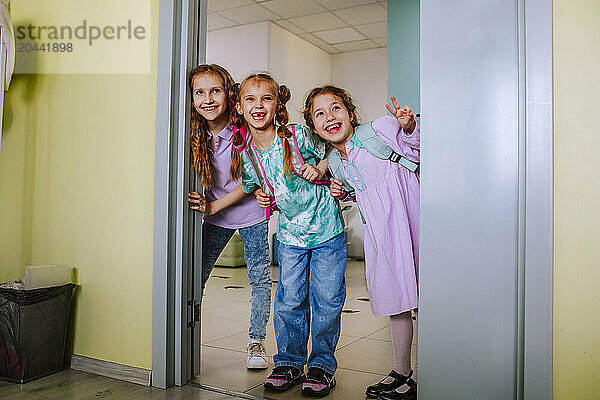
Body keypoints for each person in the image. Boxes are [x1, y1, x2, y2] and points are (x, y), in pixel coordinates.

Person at [303, 85, 420, 400]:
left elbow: (419, 146)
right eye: (320, 114)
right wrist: (346, 194)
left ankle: (429, 373)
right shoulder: (336, 162)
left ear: (350, 114)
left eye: (336, 108)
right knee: (398, 299)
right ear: (314, 128)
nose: (330, 116)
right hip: (383, 233)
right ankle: (401, 371)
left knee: (427, 298)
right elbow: (364, 190)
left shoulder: (379, 129)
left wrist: (409, 126)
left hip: (414, 220)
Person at [235, 72, 346, 397]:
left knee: (326, 301)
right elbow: (256, 187)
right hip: (289, 238)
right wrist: (260, 197)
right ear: (240, 107)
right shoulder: (248, 154)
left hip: (326, 230)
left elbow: (335, 150)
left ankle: (322, 367)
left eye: (266, 98)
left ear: (277, 104)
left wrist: (322, 168)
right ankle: (289, 363)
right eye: (250, 99)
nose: (258, 105)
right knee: (289, 302)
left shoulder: (296, 135)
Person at [187, 64, 271, 370]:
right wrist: (211, 208)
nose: (208, 99)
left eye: (215, 91)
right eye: (200, 92)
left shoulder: (246, 130)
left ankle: (256, 341)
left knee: (259, 278)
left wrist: (213, 206)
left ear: (229, 95)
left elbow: (254, 181)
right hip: (214, 216)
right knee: (195, 276)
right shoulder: (192, 133)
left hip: (250, 212)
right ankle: (188, 334)